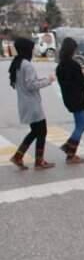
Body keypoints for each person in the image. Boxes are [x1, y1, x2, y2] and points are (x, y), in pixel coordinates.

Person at [8, 37, 57, 170]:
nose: (34, 50)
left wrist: (44, 79)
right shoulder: (26, 65)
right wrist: (49, 80)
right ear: (27, 49)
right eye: (32, 47)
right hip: (32, 104)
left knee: (35, 132)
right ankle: (38, 161)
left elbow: (22, 83)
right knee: (41, 131)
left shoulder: (17, 63)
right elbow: (31, 85)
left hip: (25, 103)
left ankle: (18, 156)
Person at [56, 37, 84, 164]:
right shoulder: (73, 65)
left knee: (81, 123)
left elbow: (72, 82)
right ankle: (69, 150)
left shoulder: (60, 66)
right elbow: (81, 84)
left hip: (68, 98)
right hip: (77, 99)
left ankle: (70, 151)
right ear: (72, 50)